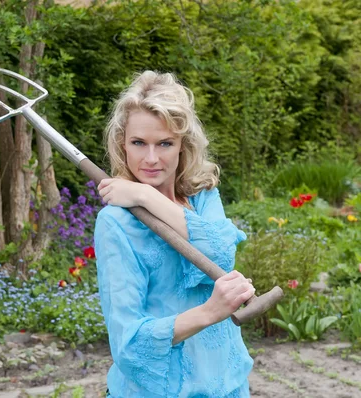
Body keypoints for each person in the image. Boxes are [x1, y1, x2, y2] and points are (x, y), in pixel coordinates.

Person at [94, 70, 255, 397]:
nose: (150, 159)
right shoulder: (116, 224)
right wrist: (210, 312)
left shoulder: (203, 196)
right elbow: (129, 345)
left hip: (229, 384)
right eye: (138, 143)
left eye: (164, 143)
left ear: (183, 145)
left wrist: (145, 196)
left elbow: (221, 254)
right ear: (122, 144)